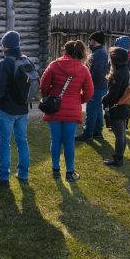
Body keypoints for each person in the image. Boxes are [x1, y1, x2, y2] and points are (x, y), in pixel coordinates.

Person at [40, 40, 94, 182]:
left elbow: (43, 84)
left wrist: (47, 96)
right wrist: (79, 100)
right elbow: (89, 92)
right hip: (73, 109)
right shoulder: (83, 69)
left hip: (54, 108)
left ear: (65, 50)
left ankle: (55, 170)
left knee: (55, 140)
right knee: (69, 141)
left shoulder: (54, 65)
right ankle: (70, 172)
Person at [0, 31, 30, 186]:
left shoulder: (4, 64)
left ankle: (3, 176)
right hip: (23, 109)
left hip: (7, 110)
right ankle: (23, 174)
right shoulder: (26, 60)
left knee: (4, 143)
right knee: (22, 141)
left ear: (5, 46)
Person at [102, 47, 130, 166]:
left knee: (119, 136)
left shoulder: (119, 73)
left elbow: (113, 94)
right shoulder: (125, 70)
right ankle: (119, 158)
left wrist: (103, 99)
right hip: (123, 107)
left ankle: (118, 159)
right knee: (122, 135)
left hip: (117, 109)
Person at [77, 31, 109, 141]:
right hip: (99, 86)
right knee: (98, 110)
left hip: (96, 87)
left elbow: (97, 73)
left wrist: (87, 83)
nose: (88, 43)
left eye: (90, 40)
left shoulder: (100, 54)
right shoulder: (98, 52)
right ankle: (97, 132)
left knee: (91, 110)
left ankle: (88, 134)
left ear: (94, 41)